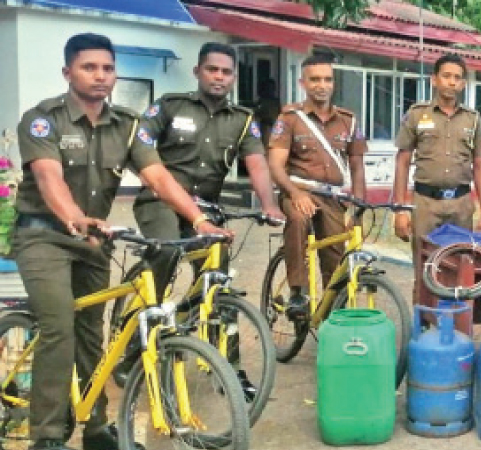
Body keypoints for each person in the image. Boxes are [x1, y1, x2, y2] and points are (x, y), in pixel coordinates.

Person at [13, 33, 228, 450]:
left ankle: (95, 428)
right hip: (43, 237)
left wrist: (198, 219)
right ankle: (46, 436)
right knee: (60, 328)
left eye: (107, 68)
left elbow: (158, 177)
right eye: (88, 67)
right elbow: (48, 177)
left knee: (93, 335)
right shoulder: (42, 119)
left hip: (93, 240)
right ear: (67, 72)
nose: (100, 76)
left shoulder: (128, 126)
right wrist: (74, 218)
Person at [132, 42, 283, 241]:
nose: (219, 76)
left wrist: (269, 205)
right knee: (166, 249)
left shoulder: (242, 119)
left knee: (217, 260)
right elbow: (139, 140)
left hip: (207, 205)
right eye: (212, 69)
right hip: (160, 201)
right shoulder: (171, 105)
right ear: (197, 72)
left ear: (234, 78)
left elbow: (257, 165)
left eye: (226, 72)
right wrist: (145, 172)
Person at [267, 54, 367, 319]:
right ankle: (297, 293)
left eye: (327, 79)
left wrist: (358, 208)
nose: (321, 85)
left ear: (333, 83)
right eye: (314, 80)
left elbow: (357, 166)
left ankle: (333, 315)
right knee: (299, 219)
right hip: (298, 190)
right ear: (303, 83)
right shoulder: (290, 118)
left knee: (336, 256)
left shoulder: (348, 120)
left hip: (333, 197)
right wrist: (295, 193)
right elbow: (276, 164)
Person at [392, 53, 481, 303]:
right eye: (446, 76)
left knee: (462, 269)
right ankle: (422, 325)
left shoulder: (473, 119)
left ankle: (457, 328)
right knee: (424, 269)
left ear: (463, 84)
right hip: (425, 203)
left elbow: (479, 165)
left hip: (461, 205)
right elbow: (402, 162)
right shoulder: (416, 115)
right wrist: (400, 210)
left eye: (457, 78)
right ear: (434, 80)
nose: (451, 82)